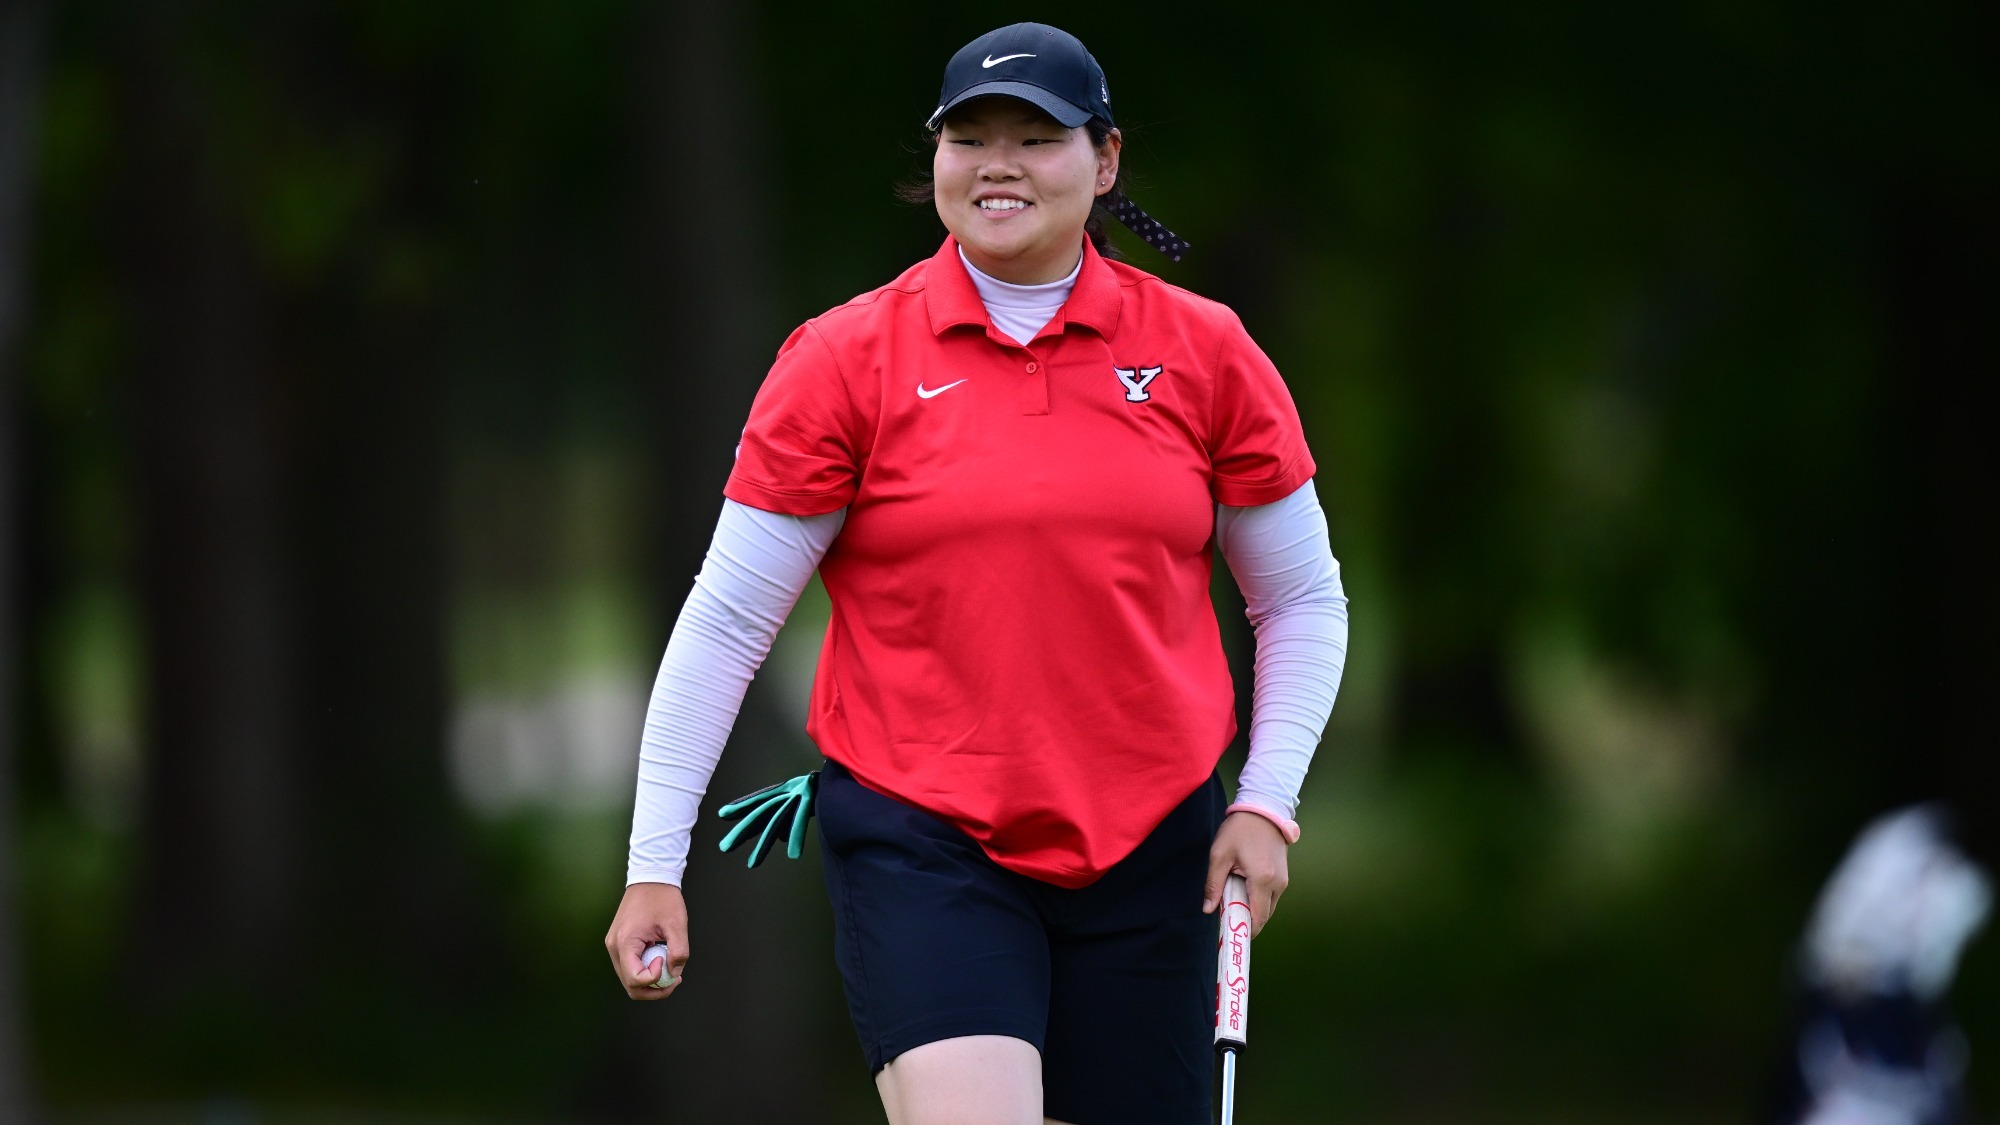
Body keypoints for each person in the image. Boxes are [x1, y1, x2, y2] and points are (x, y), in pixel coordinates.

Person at [604, 22, 1349, 1125]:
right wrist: (653, 862)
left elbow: (1298, 599)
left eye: (1035, 137)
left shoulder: (1203, 353)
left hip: (1156, 845)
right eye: (970, 136)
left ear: (1102, 162)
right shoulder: (843, 360)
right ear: (937, 159)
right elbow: (725, 624)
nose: (998, 162)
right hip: (925, 835)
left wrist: (1264, 805)